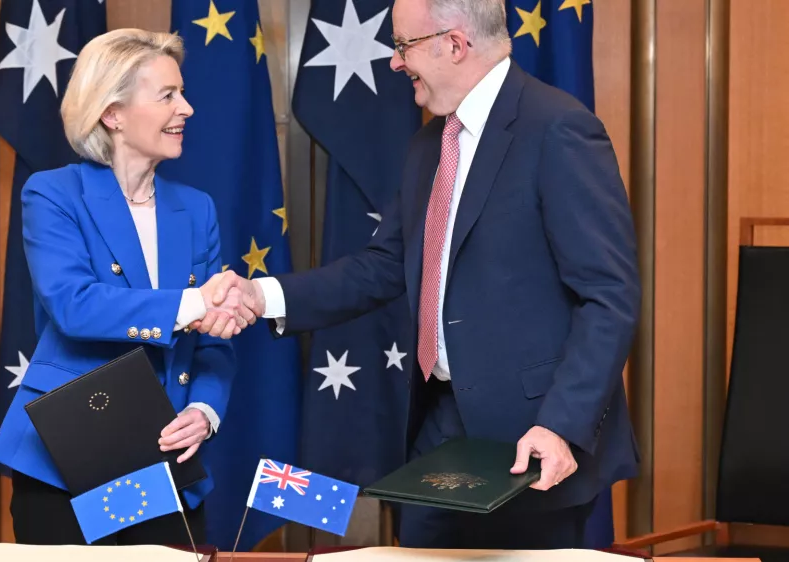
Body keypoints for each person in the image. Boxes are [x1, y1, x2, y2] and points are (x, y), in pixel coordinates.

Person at [200, 0, 641, 550]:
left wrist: (561, 425)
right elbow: (384, 266)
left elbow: (609, 297)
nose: (393, 62)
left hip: (534, 435)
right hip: (440, 426)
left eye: (404, 45)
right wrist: (260, 294)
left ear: (454, 44)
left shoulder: (558, 128)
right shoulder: (430, 143)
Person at [0, 28, 257, 546]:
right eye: (168, 96)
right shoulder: (53, 193)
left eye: (182, 92)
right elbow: (75, 306)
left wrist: (204, 412)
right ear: (112, 113)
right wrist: (196, 302)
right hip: (68, 465)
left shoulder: (195, 207)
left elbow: (215, 339)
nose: (187, 108)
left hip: (164, 465)